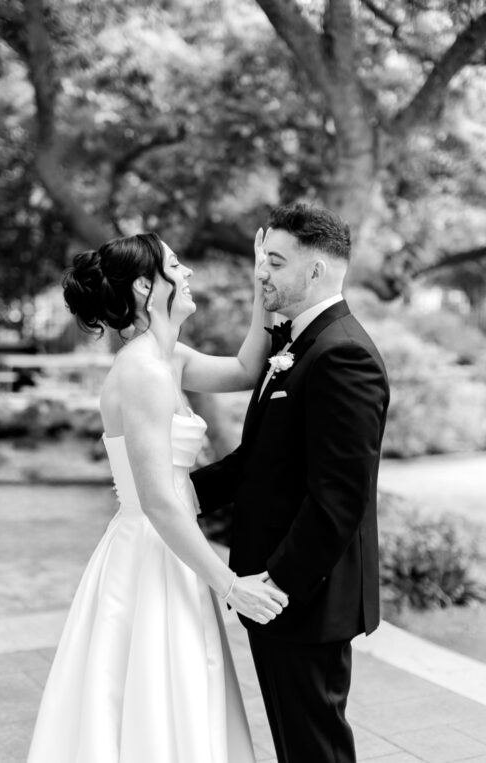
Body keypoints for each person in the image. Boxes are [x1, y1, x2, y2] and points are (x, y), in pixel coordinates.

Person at [26, 230, 289, 762]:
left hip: (172, 546)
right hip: (152, 548)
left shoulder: (169, 357)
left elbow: (244, 369)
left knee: (182, 688)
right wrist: (230, 585)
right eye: (176, 265)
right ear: (147, 286)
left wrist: (262, 284)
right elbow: (158, 498)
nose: (187, 272)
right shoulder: (142, 371)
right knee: (153, 690)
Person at [191, 203, 389, 762]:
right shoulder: (295, 344)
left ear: (317, 272)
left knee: (316, 747)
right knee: (297, 745)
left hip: (303, 596)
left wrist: (275, 584)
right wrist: (166, 495)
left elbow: (340, 497)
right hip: (275, 594)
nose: (261, 274)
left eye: (275, 263)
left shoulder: (343, 354)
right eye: (262, 260)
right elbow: (256, 463)